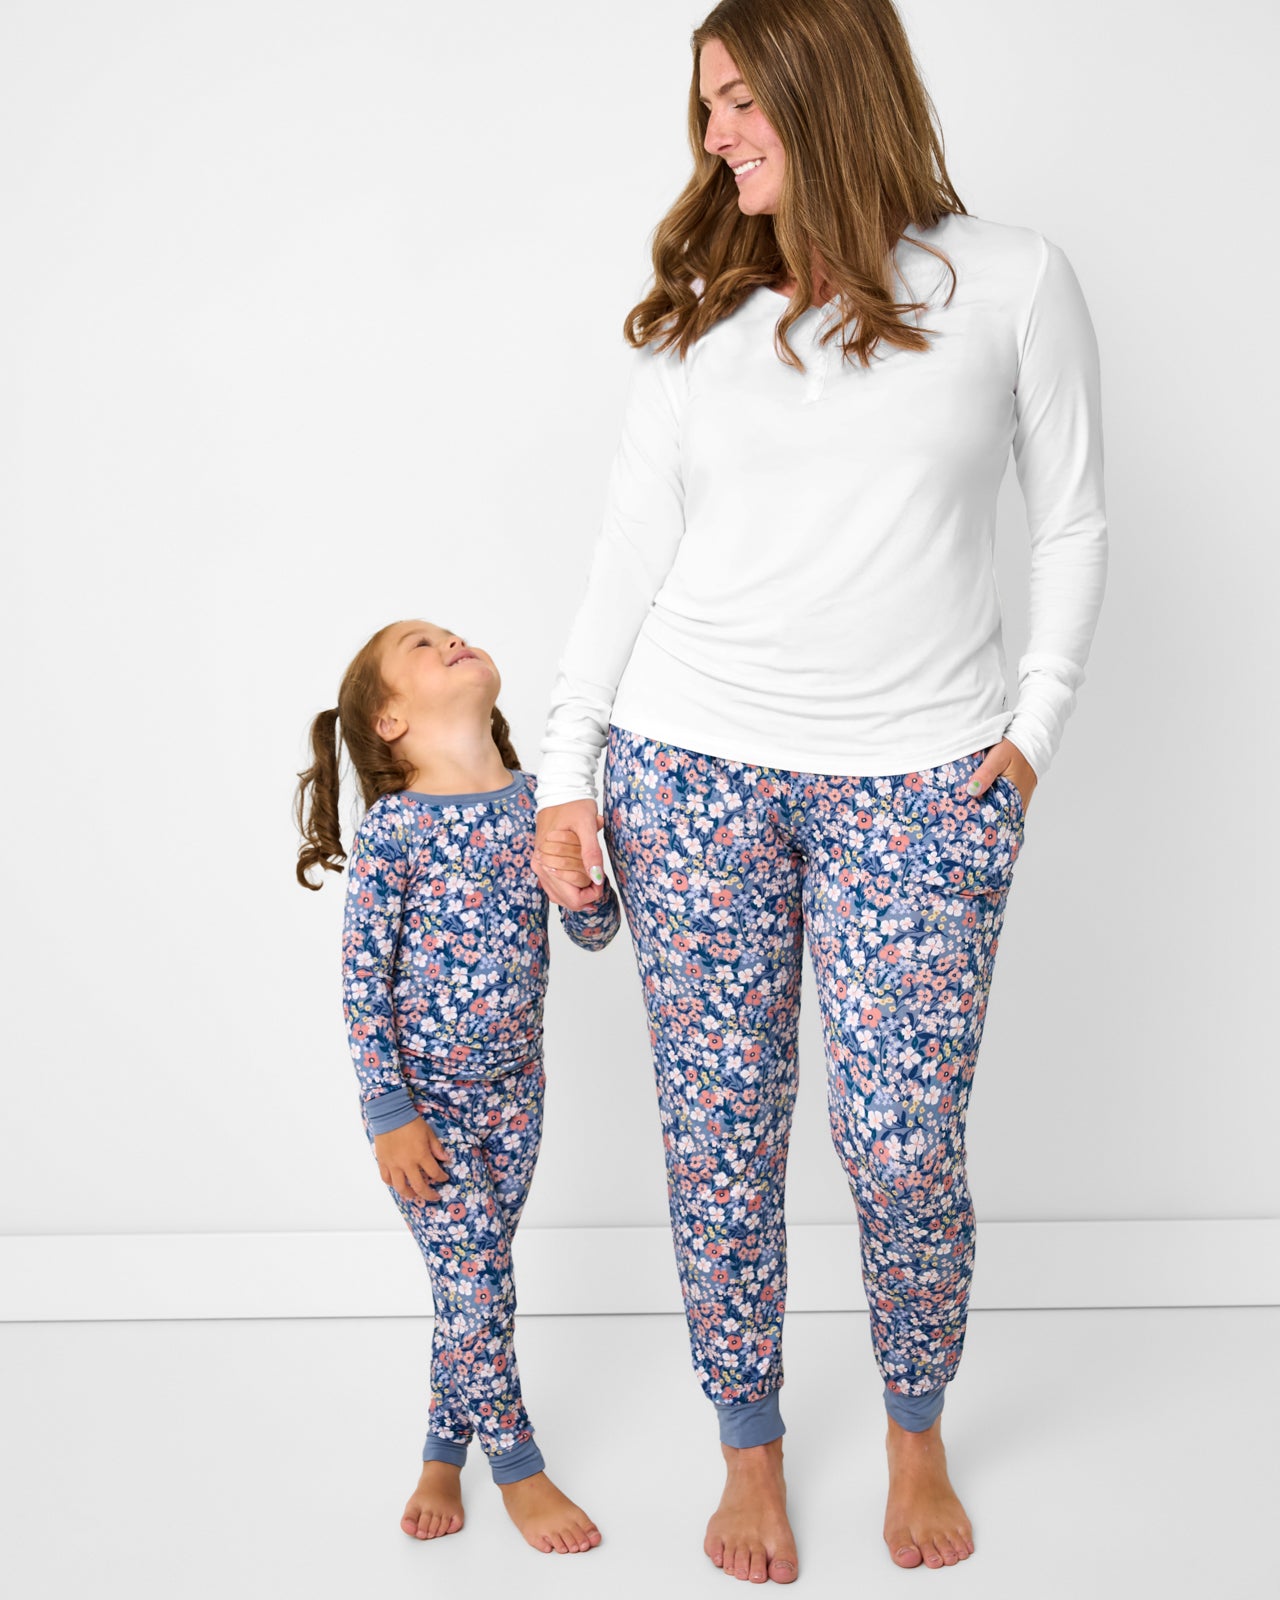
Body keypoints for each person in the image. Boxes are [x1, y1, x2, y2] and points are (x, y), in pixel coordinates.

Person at [531, 0, 1106, 1582]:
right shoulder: (699, 324)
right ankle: (752, 1451)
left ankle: (915, 1430)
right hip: (689, 765)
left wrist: (1034, 732)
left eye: (739, 99)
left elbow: (1070, 518)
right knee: (720, 1134)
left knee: (902, 1136)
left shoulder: (1010, 280)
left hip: (925, 781)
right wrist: (568, 776)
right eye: (705, 106)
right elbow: (624, 562)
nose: (716, 134)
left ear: (825, 85)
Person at [294, 617, 620, 1554]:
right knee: (478, 1282)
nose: (451, 641)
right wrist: (388, 1115)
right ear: (389, 719)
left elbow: (592, 934)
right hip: (425, 1108)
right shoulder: (396, 831)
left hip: (519, 1094)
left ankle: (443, 1448)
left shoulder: (538, 805)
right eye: (421, 645)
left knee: (469, 1282)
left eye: (450, 633)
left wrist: (585, 889)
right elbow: (362, 983)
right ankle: (517, 1467)